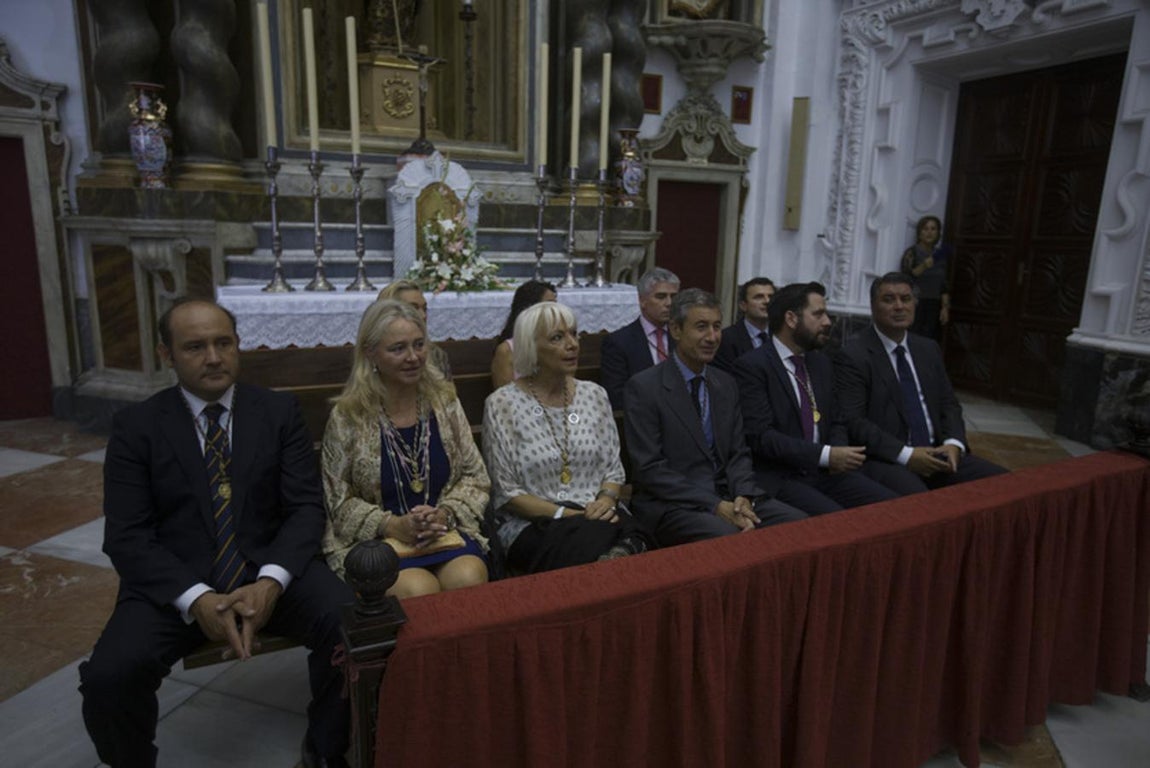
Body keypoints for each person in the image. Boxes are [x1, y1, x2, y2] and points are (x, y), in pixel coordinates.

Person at [79, 298, 354, 768]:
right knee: (110, 675)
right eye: (195, 346)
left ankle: (325, 749)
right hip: (177, 584)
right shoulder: (136, 427)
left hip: (269, 569)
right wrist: (197, 599)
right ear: (167, 354)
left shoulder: (277, 411)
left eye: (223, 343)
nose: (213, 357)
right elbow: (126, 536)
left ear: (237, 346)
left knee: (351, 623)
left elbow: (306, 509)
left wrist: (270, 583)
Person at [322, 299, 490, 598]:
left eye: (419, 344)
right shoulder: (349, 415)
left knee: (468, 577)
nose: (413, 357)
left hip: (443, 534)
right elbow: (338, 499)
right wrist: (391, 524)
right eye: (398, 348)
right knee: (418, 589)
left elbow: (475, 475)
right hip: (374, 542)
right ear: (371, 354)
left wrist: (446, 514)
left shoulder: (444, 401)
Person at [624, 289, 806, 546]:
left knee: (798, 524)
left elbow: (738, 452)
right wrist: (715, 505)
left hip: (729, 495)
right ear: (676, 330)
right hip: (673, 504)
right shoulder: (644, 387)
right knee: (732, 540)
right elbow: (650, 470)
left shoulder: (725, 383)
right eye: (701, 327)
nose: (712, 337)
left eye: (717, 327)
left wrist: (743, 494)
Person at [483, 302, 653, 572]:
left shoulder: (594, 395)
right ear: (531, 346)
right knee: (615, 539)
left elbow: (612, 469)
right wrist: (572, 515)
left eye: (575, 334)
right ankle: (620, 556)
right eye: (557, 338)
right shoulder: (502, 404)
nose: (572, 344)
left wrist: (606, 501)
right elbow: (508, 493)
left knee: (620, 531)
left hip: (598, 513)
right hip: (535, 523)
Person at [835, 272, 1008, 495]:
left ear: (915, 304)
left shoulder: (928, 349)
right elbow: (854, 422)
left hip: (939, 453)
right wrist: (907, 455)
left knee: (1007, 485)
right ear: (872, 306)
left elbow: (949, 404)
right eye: (888, 300)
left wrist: (954, 444)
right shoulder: (853, 354)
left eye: (906, 299)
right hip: (888, 459)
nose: (899, 306)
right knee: (923, 506)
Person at [734, 282, 898, 514]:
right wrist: (826, 455)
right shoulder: (753, 367)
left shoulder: (820, 362)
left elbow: (837, 419)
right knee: (838, 522)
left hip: (825, 471)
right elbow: (762, 437)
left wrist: (837, 453)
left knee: (890, 507)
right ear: (791, 319)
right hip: (782, 476)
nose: (828, 322)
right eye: (818, 314)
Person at [599, 267, 680, 409]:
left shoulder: (682, 337)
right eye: (661, 297)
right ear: (642, 301)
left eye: (673, 297)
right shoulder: (619, 342)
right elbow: (617, 396)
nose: (669, 303)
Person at [378, 279, 453, 379]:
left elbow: (448, 393)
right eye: (413, 308)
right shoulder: (375, 353)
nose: (423, 316)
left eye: (425, 309)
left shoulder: (435, 354)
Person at [490, 279, 557, 389]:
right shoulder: (507, 351)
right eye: (549, 306)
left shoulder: (557, 344)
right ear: (530, 309)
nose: (556, 311)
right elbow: (504, 399)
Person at [899, 215, 952, 341]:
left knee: (929, 340)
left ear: (938, 232)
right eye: (925, 229)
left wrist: (945, 308)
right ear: (919, 232)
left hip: (934, 304)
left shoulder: (940, 254)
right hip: (916, 302)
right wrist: (924, 266)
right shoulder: (912, 252)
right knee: (913, 338)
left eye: (933, 229)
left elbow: (943, 284)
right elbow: (906, 276)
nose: (929, 232)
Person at [713, 276, 775, 373]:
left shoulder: (781, 336)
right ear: (743, 305)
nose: (767, 301)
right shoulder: (726, 339)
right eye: (759, 297)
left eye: (771, 297)